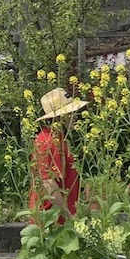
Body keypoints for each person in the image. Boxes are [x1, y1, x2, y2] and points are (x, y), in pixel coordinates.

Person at [29, 88, 88, 225]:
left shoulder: (57, 138)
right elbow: (49, 183)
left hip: (58, 219)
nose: (76, 116)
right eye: (72, 113)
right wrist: (69, 218)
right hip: (52, 222)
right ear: (60, 116)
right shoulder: (49, 143)